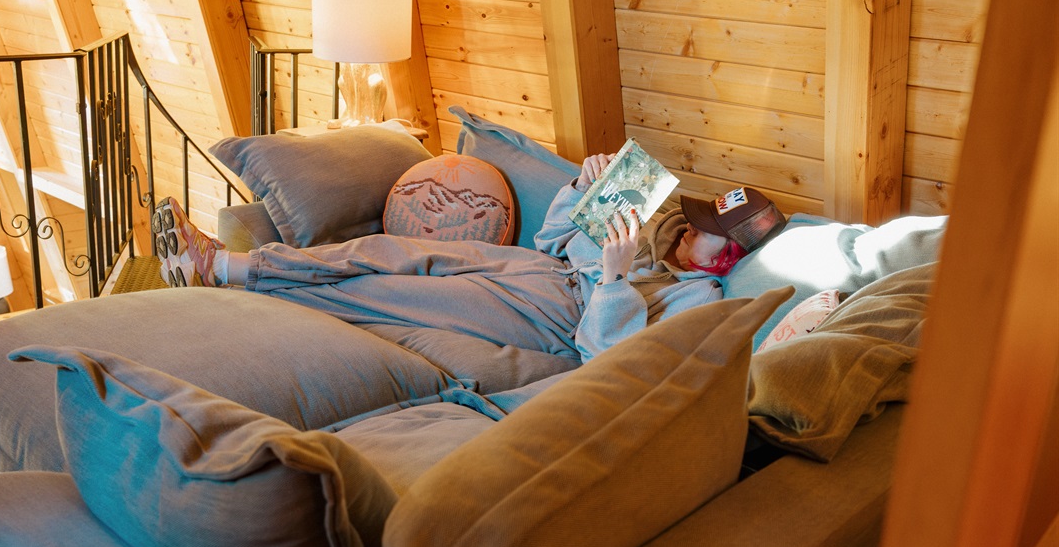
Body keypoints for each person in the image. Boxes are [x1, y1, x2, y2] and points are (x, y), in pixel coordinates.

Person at [152, 153, 785, 362]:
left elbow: (603, 354)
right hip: (540, 271)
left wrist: (616, 278)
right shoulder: (658, 230)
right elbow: (550, 244)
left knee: (388, 291)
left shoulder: (699, 299)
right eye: (697, 215)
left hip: (555, 317)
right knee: (388, 249)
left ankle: (224, 279)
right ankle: (233, 265)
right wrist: (579, 188)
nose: (688, 229)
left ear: (728, 257)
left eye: (705, 230)